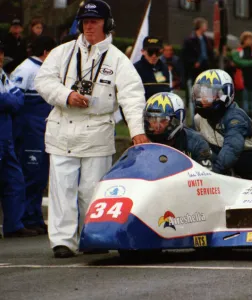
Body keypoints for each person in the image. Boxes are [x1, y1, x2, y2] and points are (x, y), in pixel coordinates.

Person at [34, 0, 149, 258]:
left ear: (107, 25)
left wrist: (137, 131)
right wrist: (66, 95)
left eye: (94, 21)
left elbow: (132, 97)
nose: (88, 26)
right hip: (62, 127)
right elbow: (43, 80)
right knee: (62, 189)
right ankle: (63, 242)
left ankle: (92, 236)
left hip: (97, 130)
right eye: (85, 21)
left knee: (92, 190)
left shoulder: (118, 59)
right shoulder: (62, 52)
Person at [10, 36, 57, 234]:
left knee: (40, 176)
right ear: (46, 52)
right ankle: (26, 218)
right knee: (31, 174)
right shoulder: (26, 69)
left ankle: (36, 217)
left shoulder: (45, 70)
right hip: (29, 131)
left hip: (43, 129)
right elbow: (14, 101)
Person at [0, 40, 38, 238]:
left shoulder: (3, 75)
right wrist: (8, 100)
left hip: (6, 136)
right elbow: (7, 99)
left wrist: (7, 100)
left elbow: (17, 98)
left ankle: (13, 225)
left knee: (15, 180)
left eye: (1, 53)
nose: (0, 57)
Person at [144, 92, 212, 168]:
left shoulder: (197, 144)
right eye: (152, 120)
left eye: (163, 120)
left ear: (176, 120)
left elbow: (206, 177)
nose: (156, 126)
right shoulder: (143, 143)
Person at [231, 31, 252, 118]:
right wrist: (250, 63)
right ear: (243, 40)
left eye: (251, 39)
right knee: (244, 96)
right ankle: (245, 113)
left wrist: (245, 63)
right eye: (248, 39)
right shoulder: (238, 51)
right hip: (242, 78)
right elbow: (237, 61)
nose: (250, 41)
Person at [134, 36, 171, 101]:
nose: (154, 56)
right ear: (143, 51)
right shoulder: (135, 69)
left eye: (157, 52)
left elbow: (166, 91)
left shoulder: (164, 68)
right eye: (150, 52)